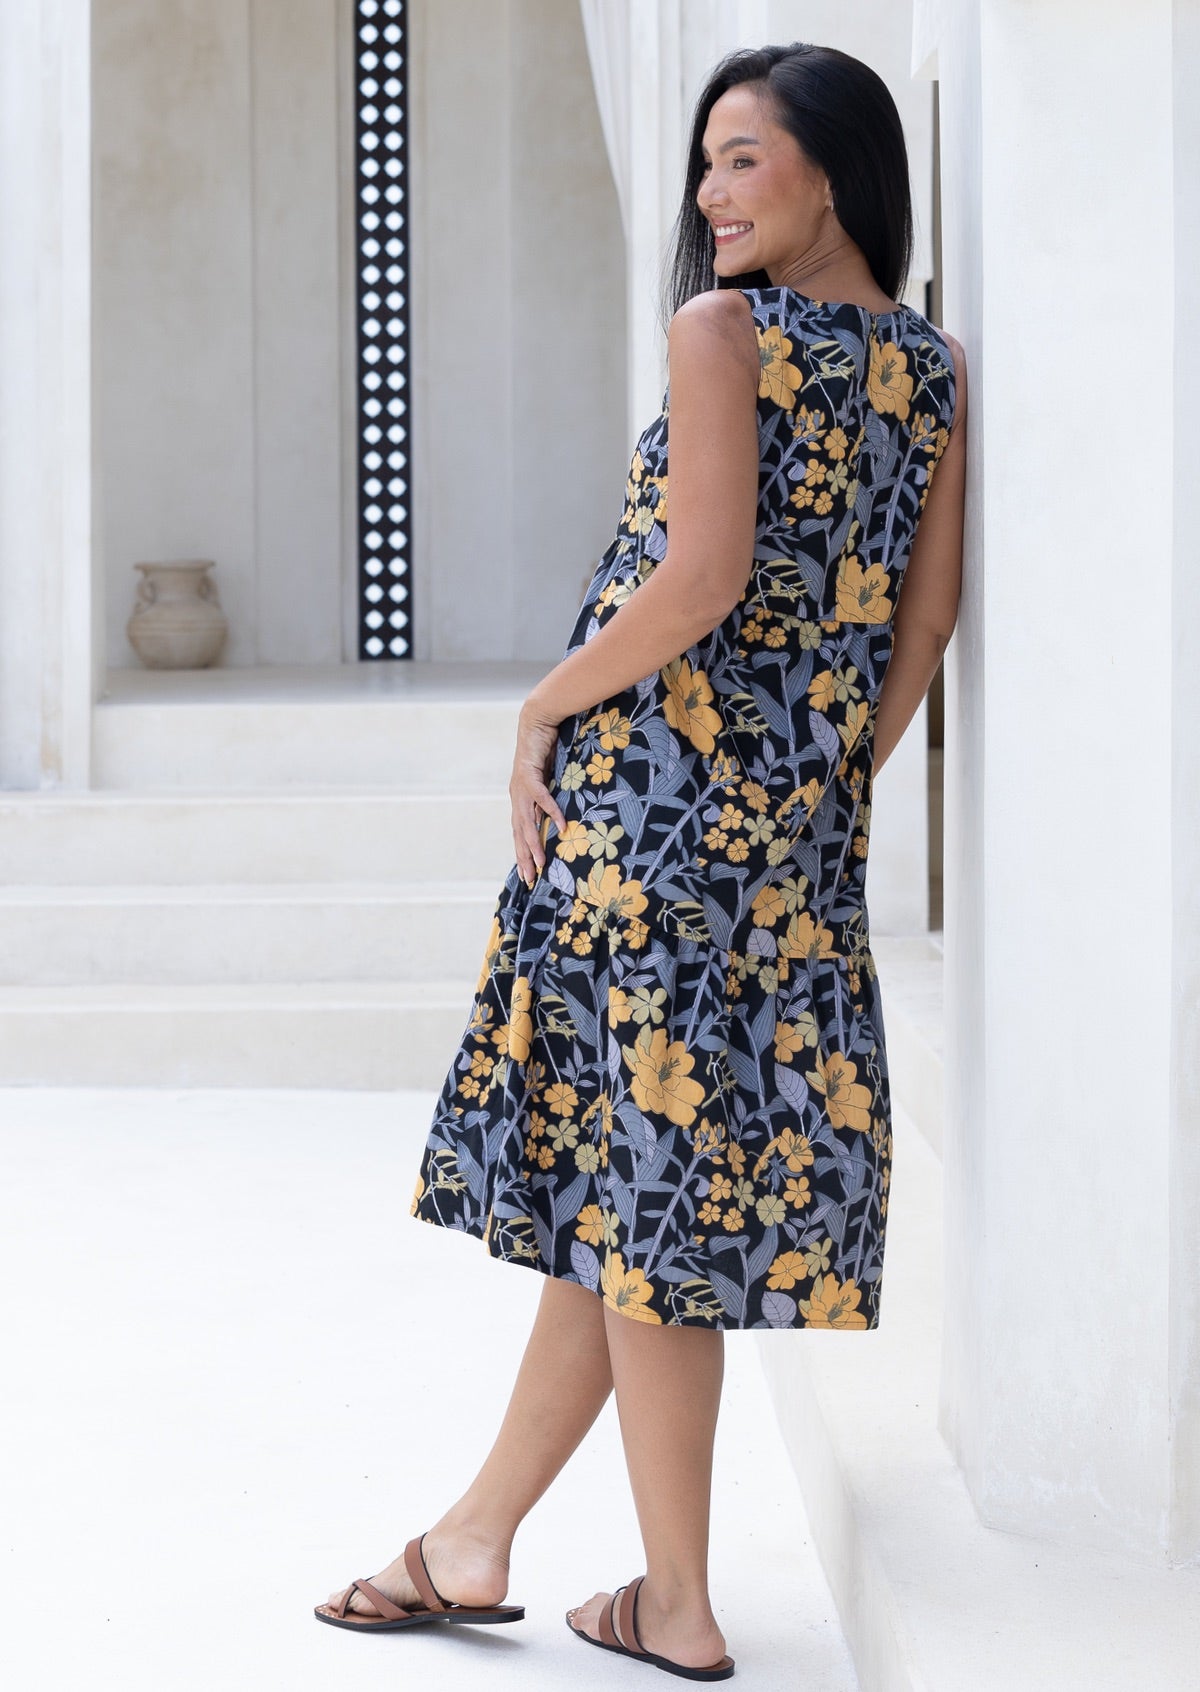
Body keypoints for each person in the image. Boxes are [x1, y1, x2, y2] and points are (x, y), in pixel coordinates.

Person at [315, 38, 968, 1682]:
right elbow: (924, 625)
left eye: (745, 157)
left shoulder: (721, 332)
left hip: (650, 816)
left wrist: (540, 706)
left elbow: (699, 576)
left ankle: (674, 1603)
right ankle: (474, 1538)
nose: (711, 192)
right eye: (705, 160)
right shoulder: (937, 371)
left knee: (646, 1207)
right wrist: (816, 792)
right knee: (635, 1198)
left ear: (839, 172)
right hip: (782, 848)